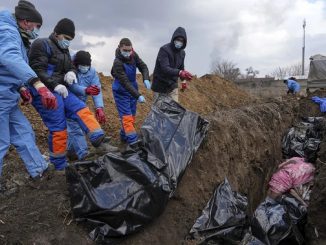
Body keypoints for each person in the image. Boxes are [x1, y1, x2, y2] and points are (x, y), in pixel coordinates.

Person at [28, 18, 118, 171]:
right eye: (67, 38)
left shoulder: (65, 51)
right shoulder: (41, 44)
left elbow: (72, 67)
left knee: (82, 109)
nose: (68, 42)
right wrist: (54, 85)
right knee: (59, 129)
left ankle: (99, 141)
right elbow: (37, 70)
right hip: (44, 91)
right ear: (57, 33)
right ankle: (59, 166)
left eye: (71, 40)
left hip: (62, 90)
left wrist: (71, 72)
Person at [0, 0, 57, 184]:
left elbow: (5, 69)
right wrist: (36, 84)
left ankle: (38, 170)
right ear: (25, 22)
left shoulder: (16, 34)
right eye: (37, 26)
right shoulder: (7, 32)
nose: (37, 30)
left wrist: (21, 87)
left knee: (24, 132)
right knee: (1, 142)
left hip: (7, 96)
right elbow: (9, 58)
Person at [111, 38, 151, 148]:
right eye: (125, 50)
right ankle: (133, 143)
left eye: (130, 50)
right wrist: (138, 95)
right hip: (121, 90)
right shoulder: (117, 62)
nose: (128, 53)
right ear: (120, 47)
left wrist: (146, 78)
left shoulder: (133, 55)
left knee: (132, 116)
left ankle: (124, 137)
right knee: (126, 118)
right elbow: (124, 82)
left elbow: (143, 66)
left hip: (133, 87)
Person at [67, 50, 106, 160]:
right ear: (76, 64)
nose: (85, 68)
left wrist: (99, 107)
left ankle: (71, 151)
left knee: (75, 127)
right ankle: (83, 155)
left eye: (87, 65)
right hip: (70, 102)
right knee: (75, 128)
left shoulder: (92, 72)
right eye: (82, 65)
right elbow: (72, 86)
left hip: (81, 103)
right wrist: (86, 90)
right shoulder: (71, 71)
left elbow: (96, 89)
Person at [151, 27, 193, 102]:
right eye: (178, 40)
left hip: (172, 86)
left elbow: (181, 68)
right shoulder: (164, 50)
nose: (179, 42)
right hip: (160, 86)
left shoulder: (182, 53)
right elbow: (165, 68)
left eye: (182, 41)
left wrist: (183, 81)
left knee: (174, 110)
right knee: (159, 111)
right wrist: (179, 72)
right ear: (174, 39)